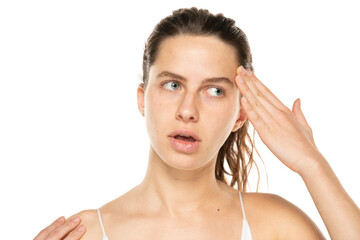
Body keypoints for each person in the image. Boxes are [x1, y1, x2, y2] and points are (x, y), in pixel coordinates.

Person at [34, 7, 360, 240]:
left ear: (240, 114)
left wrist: (313, 165)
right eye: (173, 84)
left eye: (214, 90)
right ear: (142, 99)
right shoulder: (82, 234)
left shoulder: (276, 226)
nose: (188, 110)